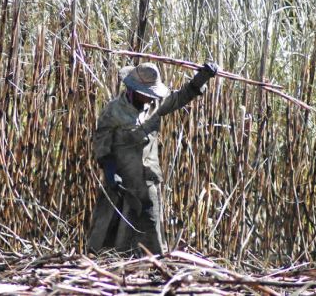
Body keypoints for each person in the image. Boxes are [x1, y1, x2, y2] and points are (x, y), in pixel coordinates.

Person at [87, 61, 218, 255]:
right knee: (111, 227)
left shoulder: (156, 105)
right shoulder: (113, 111)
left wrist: (202, 77)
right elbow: (102, 143)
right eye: (146, 93)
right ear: (132, 89)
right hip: (121, 180)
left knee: (151, 224)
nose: (150, 98)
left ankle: (153, 265)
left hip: (147, 179)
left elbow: (182, 96)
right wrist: (110, 172)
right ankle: (104, 262)